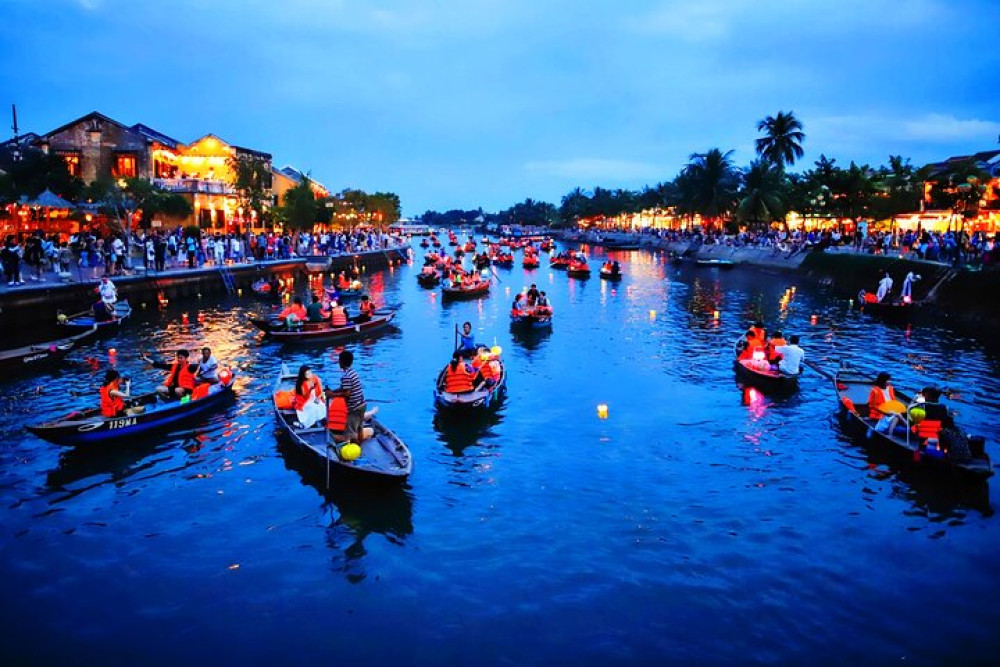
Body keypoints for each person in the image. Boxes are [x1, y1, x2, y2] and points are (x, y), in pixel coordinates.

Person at [338, 350, 372, 444]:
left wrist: (332, 395)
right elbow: (344, 388)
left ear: (341, 362)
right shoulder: (353, 373)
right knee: (360, 428)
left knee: (351, 434)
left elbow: (347, 393)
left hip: (354, 408)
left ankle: (356, 449)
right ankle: (360, 445)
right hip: (362, 404)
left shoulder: (345, 376)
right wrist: (334, 392)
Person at [293, 365, 326, 429]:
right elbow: (304, 396)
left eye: (310, 372)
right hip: (305, 402)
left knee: (322, 405)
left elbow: (320, 390)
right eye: (307, 374)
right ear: (303, 375)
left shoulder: (315, 378)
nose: (309, 374)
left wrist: (319, 398)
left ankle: (321, 420)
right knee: (314, 407)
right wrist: (310, 389)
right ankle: (305, 425)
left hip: (315, 399)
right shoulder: (301, 383)